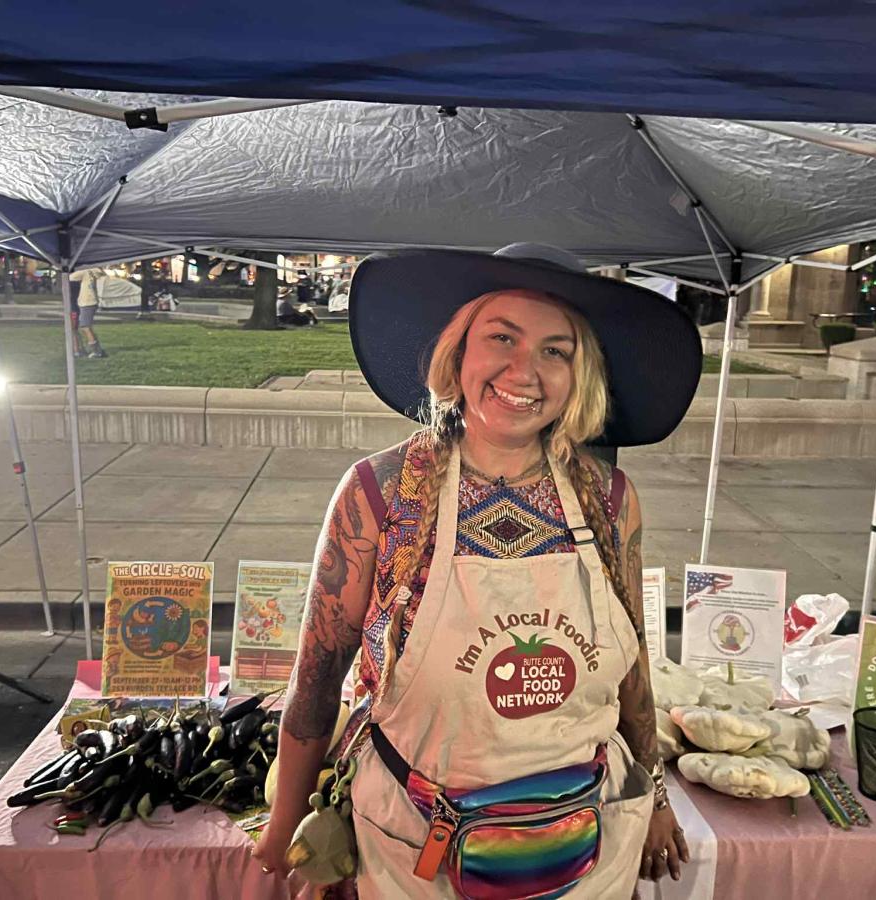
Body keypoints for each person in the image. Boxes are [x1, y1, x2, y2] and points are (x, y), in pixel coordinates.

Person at [254, 243, 703, 898]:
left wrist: (655, 794)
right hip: (414, 846)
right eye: (502, 338)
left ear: (580, 376)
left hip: (582, 843)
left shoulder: (610, 500)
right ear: (458, 350)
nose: (525, 371)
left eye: (556, 351)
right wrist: (286, 818)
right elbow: (318, 677)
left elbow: (632, 667)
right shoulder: (381, 493)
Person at [68, 267, 108, 358]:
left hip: (87, 302)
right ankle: (97, 350)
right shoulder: (93, 272)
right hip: (90, 301)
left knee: (85, 326)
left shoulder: (85, 272)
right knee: (86, 326)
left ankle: (96, 351)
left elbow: (70, 277)